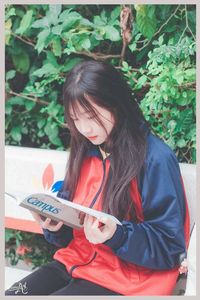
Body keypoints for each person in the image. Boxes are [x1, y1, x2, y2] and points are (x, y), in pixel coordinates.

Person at [5, 60, 190, 296]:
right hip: (76, 263)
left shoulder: (154, 158)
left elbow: (170, 247)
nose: (84, 128)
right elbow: (70, 232)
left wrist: (117, 235)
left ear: (115, 104)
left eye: (91, 116)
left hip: (128, 280)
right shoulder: (85, 151)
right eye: (76, 119)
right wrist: (54, 224)